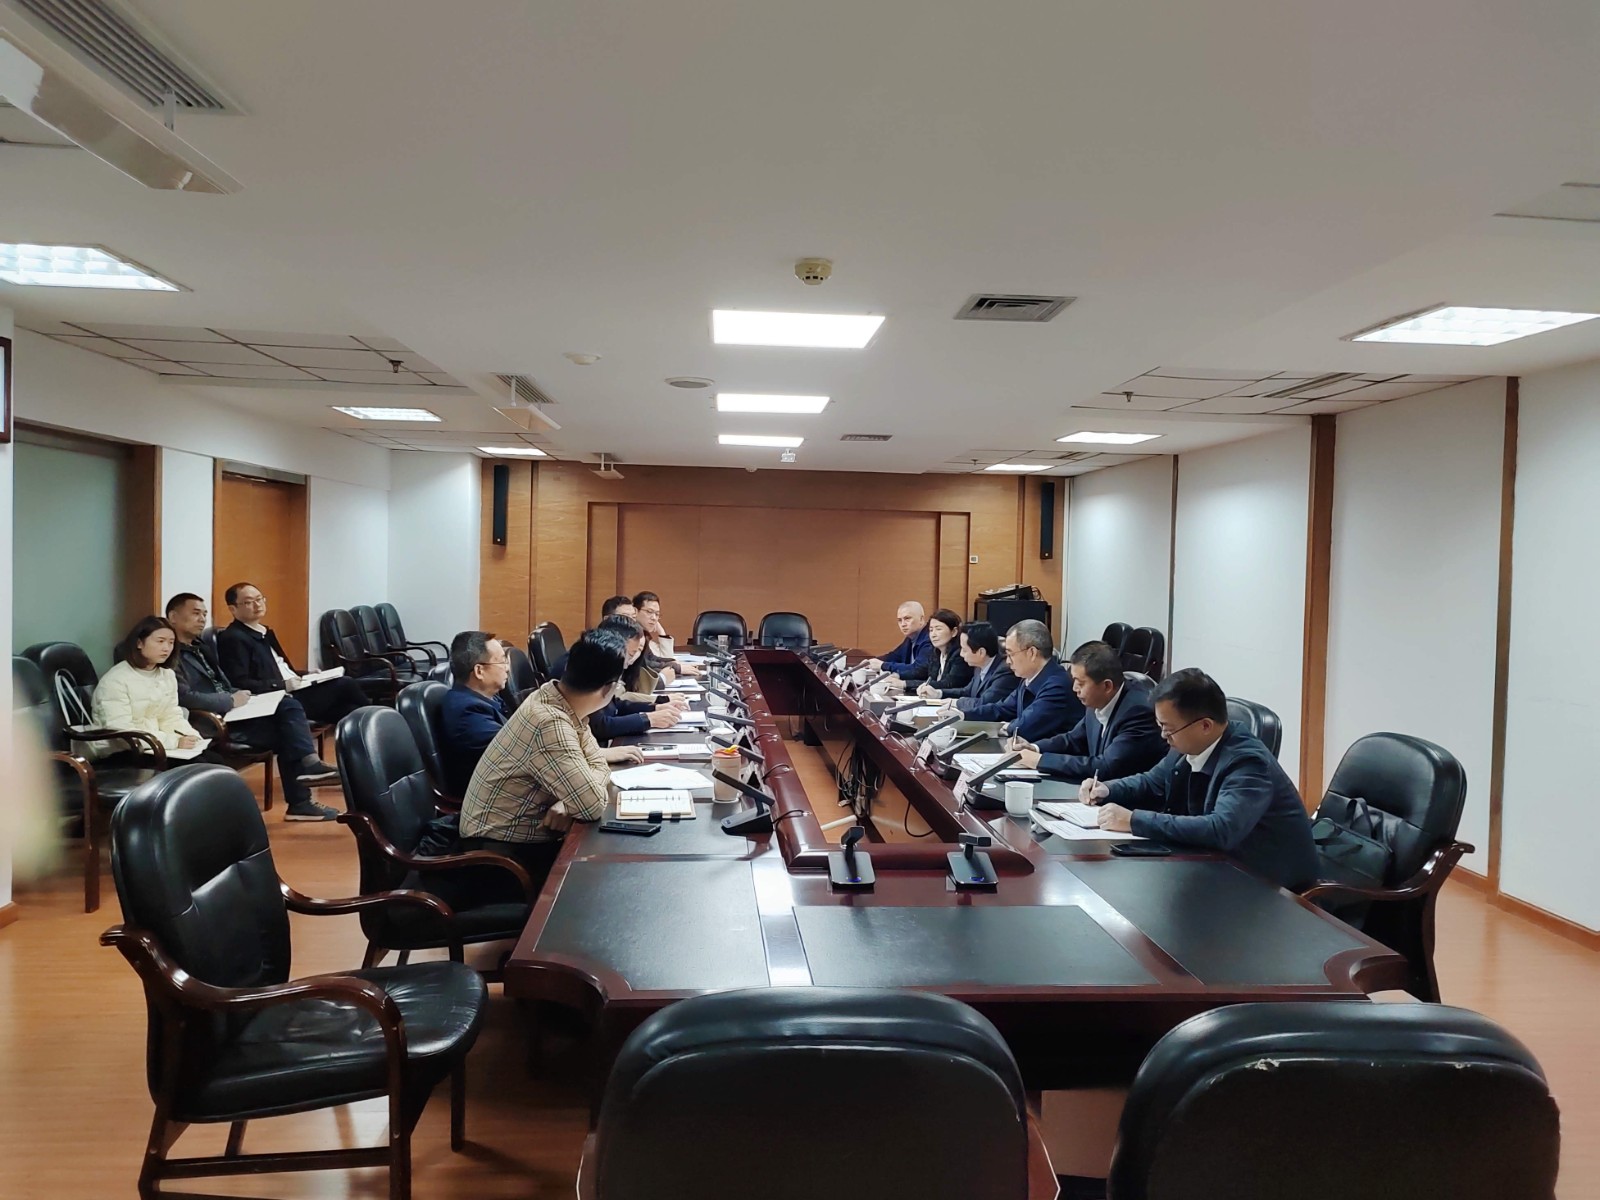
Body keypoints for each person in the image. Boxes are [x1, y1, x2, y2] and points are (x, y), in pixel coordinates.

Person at [1079, 668, 1317, 890]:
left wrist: (1134, 820)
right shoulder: (1188, 743)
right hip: (1216, 867)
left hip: (1268, 886)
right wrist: (1107, 789)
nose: (1163, 736)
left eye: (1168, 729)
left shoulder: (1248, 763)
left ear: (1205, 726)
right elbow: (1152, 782)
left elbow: (1220, 829)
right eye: (1160, 726)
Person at [459, 629, 644, 890]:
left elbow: (597, 763)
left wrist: (569, 800)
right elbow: (591, 805)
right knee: (616, 879)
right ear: (608, 688)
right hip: (499, 859)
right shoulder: (550, 721)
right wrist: (576, 797)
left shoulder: (556, 696)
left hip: (522, 843)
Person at [165, 593, 341, 821]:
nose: (202, 619)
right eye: (196, 613)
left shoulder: (201, 647)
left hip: (233, 712)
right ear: (173, 617)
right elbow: (184, 697)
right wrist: (230, 700)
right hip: (210, 722)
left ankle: (303, 793)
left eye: (205, 614)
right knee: (289, 726)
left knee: (288, 710)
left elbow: (222, 682)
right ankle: (304, 789)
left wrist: (239, 694)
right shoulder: (169, 653)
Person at [1010, 640, 1166, 784]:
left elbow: (1106, 767)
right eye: (1074, 681)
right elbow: (1073, 740)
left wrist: (1039, 760)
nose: (1074, 689)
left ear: (1107, 686)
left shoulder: (1138, 712)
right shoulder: (1096, 700)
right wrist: (1034, 748)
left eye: (1081, 683)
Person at [215, 582, 370, 726]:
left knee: (349, 710)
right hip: (279, 698)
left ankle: (372, 730)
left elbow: (280, 668)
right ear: (233, 609)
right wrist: (283, 685)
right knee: (345, 683)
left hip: (296, 689)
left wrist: (306, 675)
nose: (257, 605)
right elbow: (239, 682)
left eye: (259, 599)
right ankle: (378, 722)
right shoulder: (233, 638)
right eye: (249, 602)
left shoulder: (264, 631)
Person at [91, 617, 223, 764]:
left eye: (171, 642)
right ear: (139, 643)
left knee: (216, 762)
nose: (166, 648)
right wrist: (174, 742)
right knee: (201, 768)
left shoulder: (167, 675)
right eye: (160, 641)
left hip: (159, 746)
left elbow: (170, 715)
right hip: (125, 751)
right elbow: (120, 730)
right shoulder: (115, 680)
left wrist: (189, 735)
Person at [966, 619, 1082, 741]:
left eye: (1011, 654)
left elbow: (1024, 727)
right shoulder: (1028, 679)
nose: (1008, 661)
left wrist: (1006, 727)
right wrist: (963, 715)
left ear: (1031, 653)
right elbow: (1001, 709)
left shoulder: (1057, 686)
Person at [438, 631, 513, 799]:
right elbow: (515, 751)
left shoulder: (486, 698)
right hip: (490, 799)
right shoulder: (468, 712)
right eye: (502, 661)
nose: (507, 668)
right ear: (479, 671)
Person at [590, 614, 686, 741]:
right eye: (630, 655)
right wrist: (649, 720)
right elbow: (598, 726)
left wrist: (654, 708)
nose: (628, 663)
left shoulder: (604, 665)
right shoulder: (590, 668)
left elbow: (615, 705)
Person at [939, 621, 1021, 713]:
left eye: (964, 650)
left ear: (981, 652)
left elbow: (984, 703)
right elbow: (967, 691)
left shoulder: (1005, 671)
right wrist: (939, 693)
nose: (961, 654)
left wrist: (957, 702)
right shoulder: (979, 666)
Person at [633, 591, 699, 678]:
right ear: (635, 611)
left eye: (657, 614)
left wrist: (673, 662)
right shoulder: (631, 634)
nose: (654, 618)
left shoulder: (644, 634)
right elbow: (645, 665)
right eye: (649, 612)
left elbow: (652, 658)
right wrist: (676, 667)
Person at [908, 610, 974, 696]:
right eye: (931, 630)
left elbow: (949, 684)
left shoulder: (960, 655)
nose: (933, 635)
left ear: (954, 632)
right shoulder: (935, 653)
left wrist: (905, 684)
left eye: (938, 629)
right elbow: (925, 676)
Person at [866, 601, 931, 677]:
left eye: (907, 618)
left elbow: (918, 670)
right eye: (900, 620)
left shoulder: (929, 639)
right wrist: (870, 662)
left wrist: (883, 665)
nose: (903, 624)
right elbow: (893, 656)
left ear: (921, 619)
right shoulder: (910, 639)